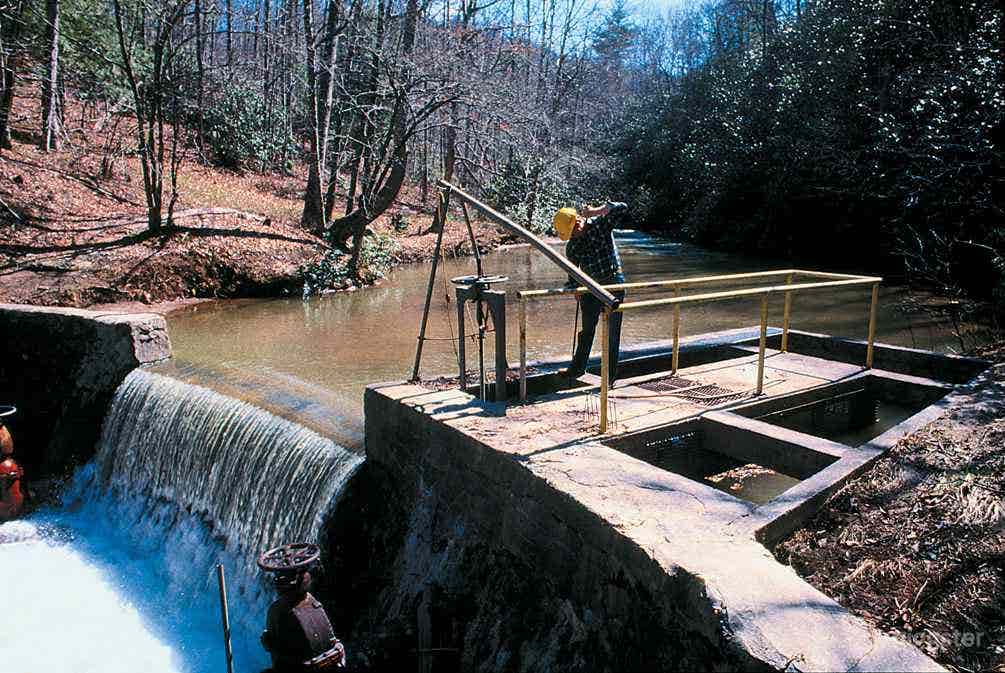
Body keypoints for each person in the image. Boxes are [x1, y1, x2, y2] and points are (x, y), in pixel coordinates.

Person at [553, 201, 629, 384]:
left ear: (578, 223)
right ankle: (577, 369)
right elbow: (573, 272)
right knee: (586, 331)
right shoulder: (573, 245)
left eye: (572, 232)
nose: (572, 237)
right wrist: (574, 288)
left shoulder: (600, 225)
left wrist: (597, 210)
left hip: (613, 283)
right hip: (589, 287)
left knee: (612, 334)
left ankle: (609, 378)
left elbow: (622, 207)